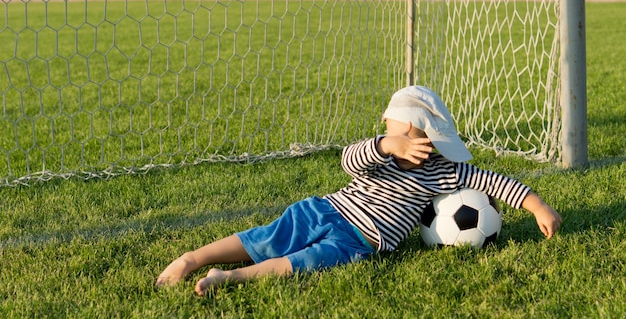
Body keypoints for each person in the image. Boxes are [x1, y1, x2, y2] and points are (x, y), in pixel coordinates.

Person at [156, 85, 562, 295]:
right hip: (323, 210)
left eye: (429, 142)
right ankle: (191, 259)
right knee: (263, 239)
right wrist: (388, 146)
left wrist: (537, 205)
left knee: (299, 264)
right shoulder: (377, 153)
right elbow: (349, 160)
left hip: (359, 241)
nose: (423, 149)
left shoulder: (443, 172)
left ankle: (229, 278)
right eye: (414, 139)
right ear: (396, 129)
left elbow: (492, 182)